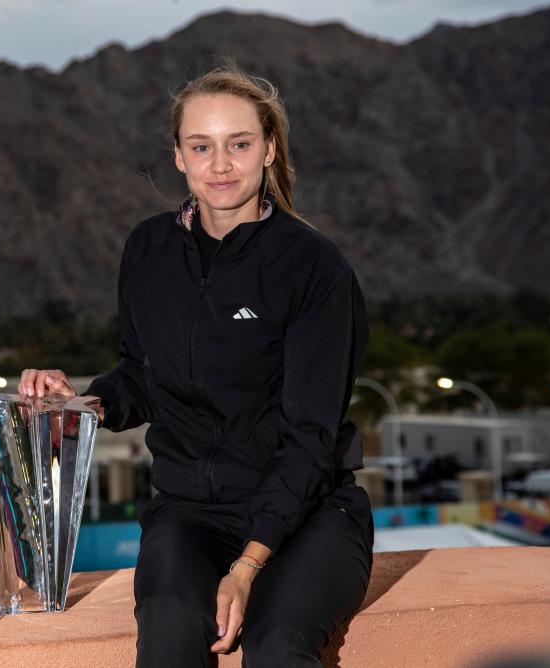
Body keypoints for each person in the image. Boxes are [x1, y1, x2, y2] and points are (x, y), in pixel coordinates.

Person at [18, 64, 373, 667]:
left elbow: (312, 439)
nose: (222, 164)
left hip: (309, 516)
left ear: (269, 150)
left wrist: (247, 567)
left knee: (278, 645)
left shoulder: (313, 268)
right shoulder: (149, 250)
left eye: (239, 144)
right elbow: (140, 373)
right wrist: (81, 403)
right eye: (201, 146)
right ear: (179, 158)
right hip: (188, 513)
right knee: (170, 635)